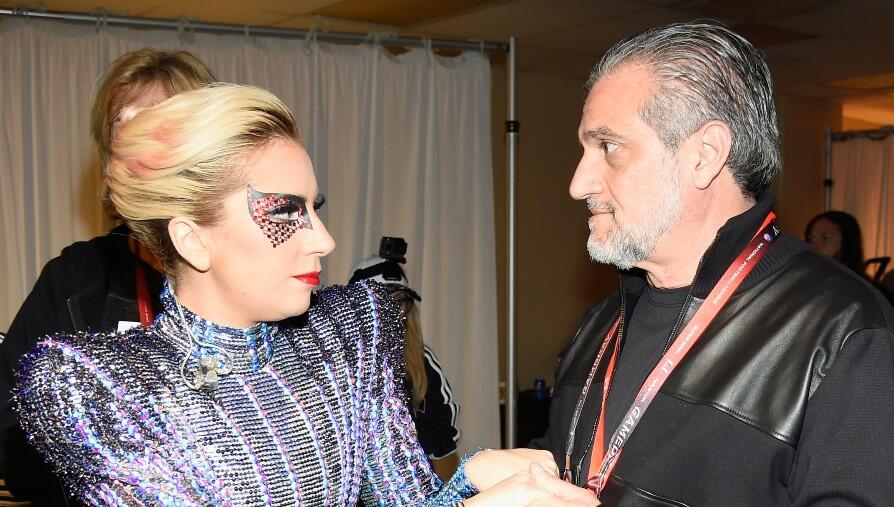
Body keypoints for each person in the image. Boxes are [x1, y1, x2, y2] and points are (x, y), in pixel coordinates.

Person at [13, 84, 598, 506]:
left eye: (314, 208)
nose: (324, 239)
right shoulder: (101, 386)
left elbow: (405, 501)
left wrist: (470, 478)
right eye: (285, 212)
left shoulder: (346, 336)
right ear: (192, 239)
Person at [531, 21, 894, 505]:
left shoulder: (846, 333)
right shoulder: (599, 325)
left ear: (704, 156)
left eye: (609, 147)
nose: (579, 184)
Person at [0, 48, 215, 505]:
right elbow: (10, 429)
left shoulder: (248, 268)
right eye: (124, 122)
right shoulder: (75, 278)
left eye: (159, 120)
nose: (141, 139)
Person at [350, 247, 462, 481]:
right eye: (383, 302)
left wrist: (405, 439)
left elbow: (444, 430)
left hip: (410, 484)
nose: (394, 313)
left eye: (400, 302)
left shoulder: (421, 360)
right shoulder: (335, 361)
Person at [805, 210, 865, 275]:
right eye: (811, 239)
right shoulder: (804, 278)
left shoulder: (856, 281)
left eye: (825, 238)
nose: (813, 246)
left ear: (847, 244)